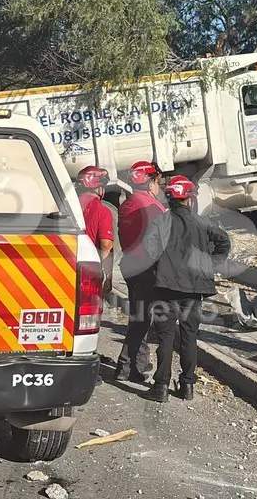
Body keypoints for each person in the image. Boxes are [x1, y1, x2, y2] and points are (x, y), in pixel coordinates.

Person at [130, 175, 230, 402]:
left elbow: (149, 250)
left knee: (165, 337)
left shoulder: (161, 221)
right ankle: (187, 387)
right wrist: (210, 264)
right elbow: (224, 242)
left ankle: (161, 387)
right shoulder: (202, 222)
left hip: (166, 287)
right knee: (189, 337)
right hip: (194, 288)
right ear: (190, 199)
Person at [114, 160, 166, 382]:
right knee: (142, 320)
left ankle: (139, 364)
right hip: (147, 268)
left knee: (139, 316)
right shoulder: (153, 207)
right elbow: (164, 242)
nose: (159, 187)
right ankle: (125, 367)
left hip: (130, 265)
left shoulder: (127, 204)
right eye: (158, 182)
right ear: (151, 182)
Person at [77, 166, 116, 295]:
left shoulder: (69, 206)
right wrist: (108, 277)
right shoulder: (102, 211)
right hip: (89, 271)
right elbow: (106, 245)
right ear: (98, 187)